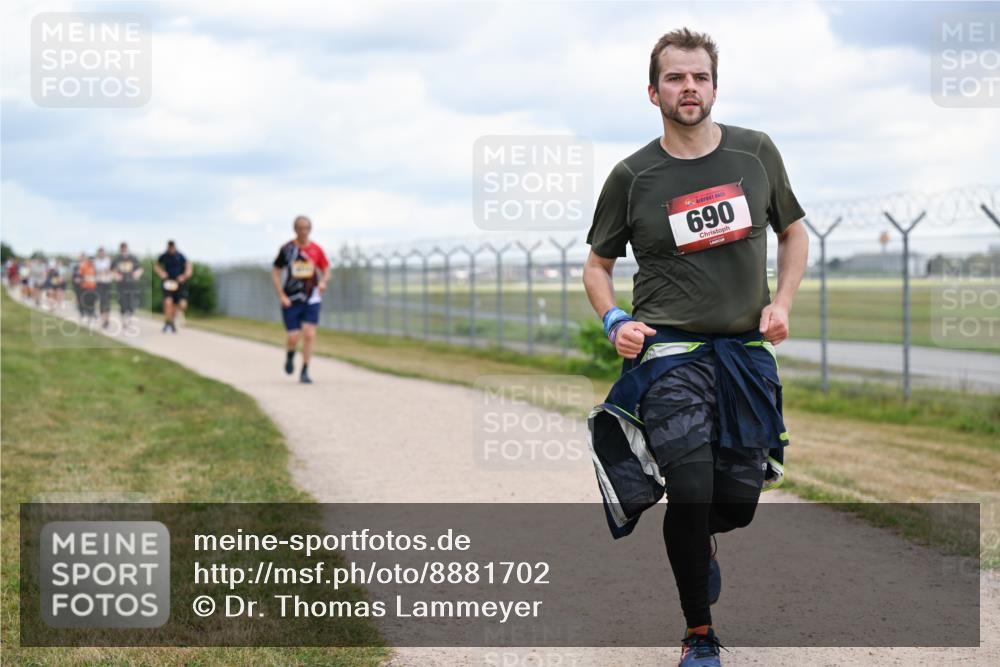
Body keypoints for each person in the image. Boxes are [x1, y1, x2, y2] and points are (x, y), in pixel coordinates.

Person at [582, 28, 809, 667]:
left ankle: (701, 540)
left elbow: (794, 233)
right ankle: (699, 634)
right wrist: (614, 321)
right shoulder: (632, 176)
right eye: (676, 78)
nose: (689, 88)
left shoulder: (755, 152)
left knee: (734, 504)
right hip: (669, 354)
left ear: (715, 86)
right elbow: (597, 266)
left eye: (700, 77)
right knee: (689, 487)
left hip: (743, 352)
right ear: (653, 92)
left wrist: (783, 303)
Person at [271, 215, 330, 384]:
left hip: (311, 297)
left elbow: (326, 269)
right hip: (291, 298)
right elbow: (276, 271)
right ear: (295, 230)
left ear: (310, 229)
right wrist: (281, 295)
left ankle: (305, 370)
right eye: (300, 228)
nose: (304, 231)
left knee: (309, 334)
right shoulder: (287, 249)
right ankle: (290, 355)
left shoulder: (316, 249)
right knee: (293, 336)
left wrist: (323, 282)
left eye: (306, 228)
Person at [155, 240, 192, 333]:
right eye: (169, 247)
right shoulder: (164, 256)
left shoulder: (180, 256)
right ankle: (168, 323)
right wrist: (161, 273)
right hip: (168, 283)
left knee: (180, 304)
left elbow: (189, 268)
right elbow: (157, 266)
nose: (170, 249)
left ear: (174, 247)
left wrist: (184, 276)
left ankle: (172, 320)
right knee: (168, 302)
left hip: (179, 283)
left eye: (172, 247)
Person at [112, 242, 143, 325]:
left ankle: (129, 317)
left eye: (125, 248)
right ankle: (124, 319)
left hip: (132, 284)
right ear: (120, 249)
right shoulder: (117, 259)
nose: (123, 250)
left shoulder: (133, 258)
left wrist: (137, 274)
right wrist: (116, 275)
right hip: (121, 285)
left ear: (127, 248)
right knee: (123, 302)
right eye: (122, 248)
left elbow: (140, 268)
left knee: (131, 302)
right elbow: (112, 270)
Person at [93, 247, 115, 329]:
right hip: (99, 283)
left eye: (103, 253)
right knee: (102, 301)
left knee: (107, 302)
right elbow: (96, 272)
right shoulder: (96, 261)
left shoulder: (109, 260)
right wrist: (102, 271)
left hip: (107, 283)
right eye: (100, 253)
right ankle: (103, 320)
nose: (102, 254)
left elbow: (111, 270)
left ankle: (107, 319)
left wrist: (107, 271)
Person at [74, 253, 98, 322]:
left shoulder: (94, 267)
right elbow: (79, 275)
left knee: (92, 300)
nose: (91, 261)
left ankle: (92, 313)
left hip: (93, 286)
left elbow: (96, 276)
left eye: (92, 260)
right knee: (85, 301)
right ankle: (85, 313)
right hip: (85, 287)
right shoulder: (84, 266)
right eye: (90, 260)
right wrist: (82, 279)